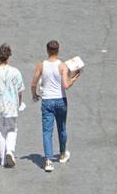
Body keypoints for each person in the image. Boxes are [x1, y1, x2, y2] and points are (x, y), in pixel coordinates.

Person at [31, 39, 81, 172]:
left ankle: (48, 160)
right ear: (58, 51)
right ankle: (63, 153)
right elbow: (66, 85)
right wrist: (74, 78)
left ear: (47, 51)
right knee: (62, 128)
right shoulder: (62, 66)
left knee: (47, 131)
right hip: (60, 99)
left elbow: (34, 83)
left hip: (47, 100)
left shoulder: (41, 65)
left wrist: (34, 95)